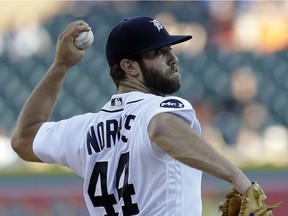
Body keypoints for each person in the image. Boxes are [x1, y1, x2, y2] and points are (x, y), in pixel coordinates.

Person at [11, 16, 254, 215]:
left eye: (170, 49)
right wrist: (237, 177)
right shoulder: (159, 109)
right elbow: (161, 128)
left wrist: (60, 66)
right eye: (159, 52)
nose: (173, 58)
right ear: (129, 66)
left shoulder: (85, 129)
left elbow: (24, 139)